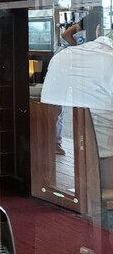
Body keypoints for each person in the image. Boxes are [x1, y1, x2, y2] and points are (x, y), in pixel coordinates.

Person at [41, 33, 113, 228]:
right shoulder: (109, 59)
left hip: (67, 166)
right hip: (106, 160)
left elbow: (49, 108)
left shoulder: (63, 57)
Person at [54, 7, 102, 155]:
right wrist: (81, 50)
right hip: (70, 64)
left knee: (61, 103)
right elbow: (65, 34)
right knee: (62, 104)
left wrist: (80, 49)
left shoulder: (88, 22)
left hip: (71, 63)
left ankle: (57, 142)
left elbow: (66, 35)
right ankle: (56, 142)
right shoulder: (94, 22)